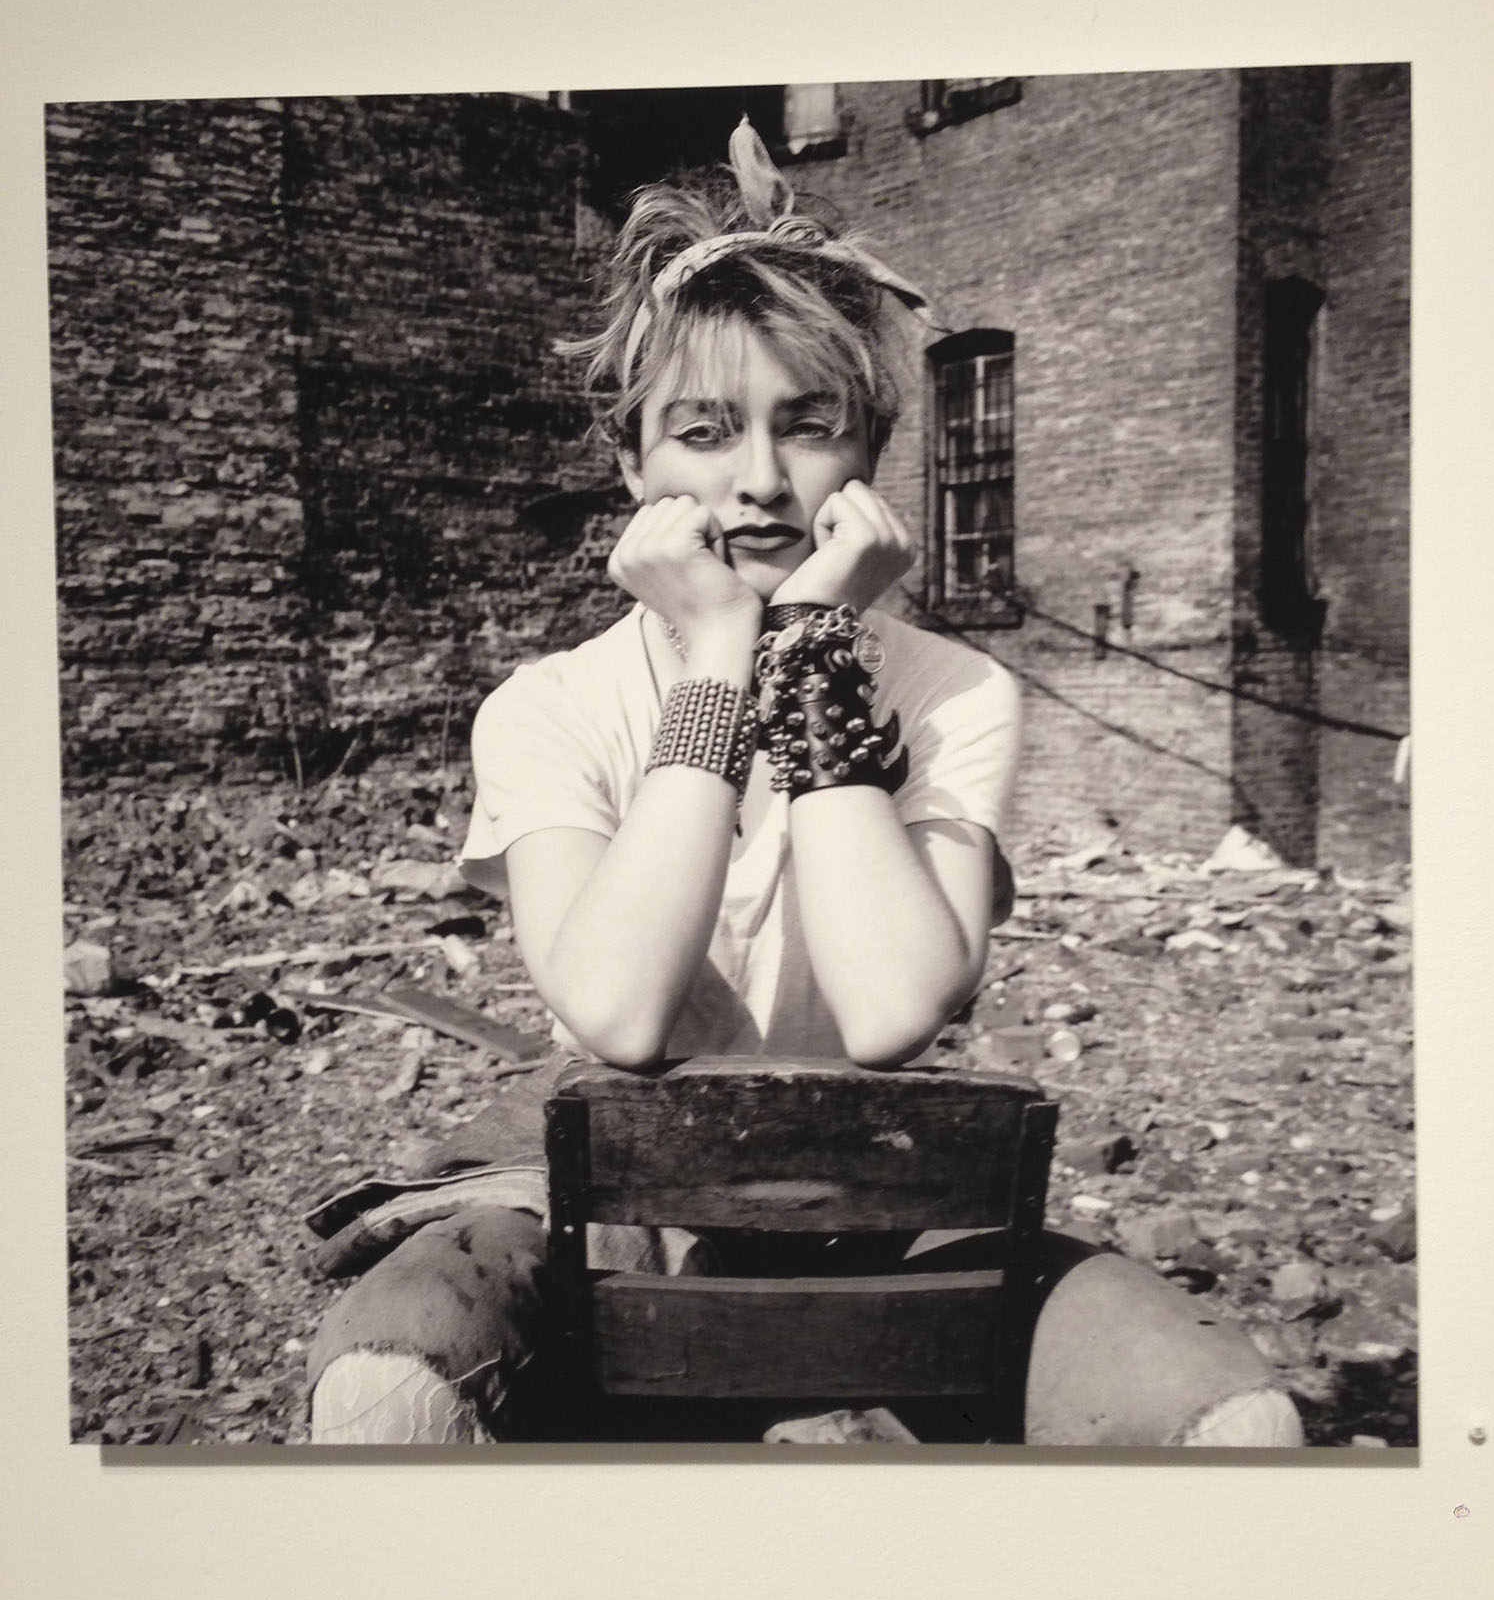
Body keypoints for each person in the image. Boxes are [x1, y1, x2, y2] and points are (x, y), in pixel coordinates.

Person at [306, 121, 1301, 1448]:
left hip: (882, 1189)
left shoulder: (954, 693)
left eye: (809, 426)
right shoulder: (547, 707)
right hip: (611, 1200)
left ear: (869, 455)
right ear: (632, 464)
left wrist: (815, 655)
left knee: (1237, 1425)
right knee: (384, 1390)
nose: (762, 482)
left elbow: (890, 1011)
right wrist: (723, 658)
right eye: (704, 431)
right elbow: (618, 1010)